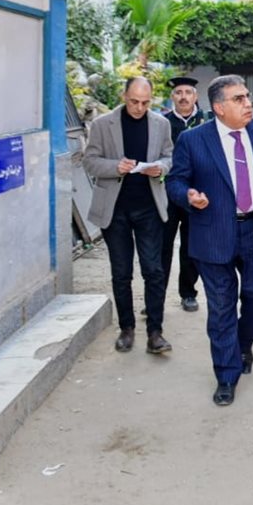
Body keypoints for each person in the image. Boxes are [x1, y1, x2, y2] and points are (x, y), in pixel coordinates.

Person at [166, 75, 253, 407]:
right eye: (239, 99)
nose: (248, 103)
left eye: (247, 96)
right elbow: (175, 181)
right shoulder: (193, 139)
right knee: (222, 307)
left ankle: (243, 344)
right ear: (219, 107)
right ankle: (227, 374)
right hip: (213, 233)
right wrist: (188, 195)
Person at [83, 76, 174, 355]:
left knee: (154, 271)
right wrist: (116, 167)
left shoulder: (161, 123)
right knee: (121, 272)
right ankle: (126, 328)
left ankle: (155, 332)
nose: (139, 107)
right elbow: (90, 162)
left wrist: (160, 167)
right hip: (115, 210)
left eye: (145, 102)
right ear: (124, 96)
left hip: (150, 207)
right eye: (134, 101)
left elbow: (169, 156)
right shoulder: (102, 124)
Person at [161, 76, 208, 312]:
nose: (183, 97)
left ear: (195, 96)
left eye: (188, 92)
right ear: (172, 97)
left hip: (196, 194)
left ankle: (188, 293)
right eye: (178, 93)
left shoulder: (207, 121)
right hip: (167, 193)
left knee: (191, 247)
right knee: (161, 246)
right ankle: (156, 295)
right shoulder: (162, 123)